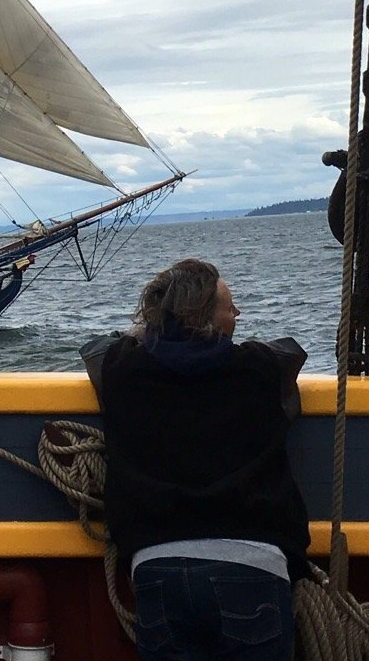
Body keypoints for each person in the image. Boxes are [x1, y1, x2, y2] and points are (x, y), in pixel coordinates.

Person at [90, 258, 309, 661]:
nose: (238, 313)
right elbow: (291, 353)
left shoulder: (124, 371)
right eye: (230, 306)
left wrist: (156, 330)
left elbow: (98, 348)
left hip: (158, 564)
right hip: (252, 565)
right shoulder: (257, 369)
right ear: (207, 318)